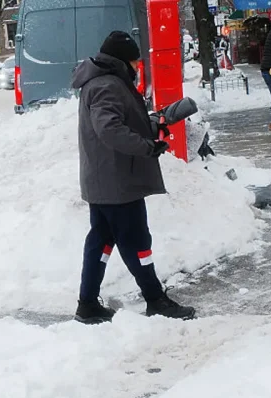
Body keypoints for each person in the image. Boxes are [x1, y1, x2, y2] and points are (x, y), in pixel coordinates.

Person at [69, 30, 196, 324]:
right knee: (137, 242)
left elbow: (120, 123)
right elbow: (109, 129)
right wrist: (147, 147)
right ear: (124, 60)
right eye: (136, 61)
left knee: (101, 241)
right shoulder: (107, 85)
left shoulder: (105, 83)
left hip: (107, 180)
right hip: (117, 182)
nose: (138, 66)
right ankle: (155, 299)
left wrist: (153, 125)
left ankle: (87, 304)